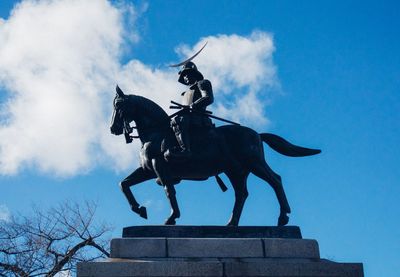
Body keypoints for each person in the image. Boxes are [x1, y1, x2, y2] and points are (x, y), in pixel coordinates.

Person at [169, 61, 214, 159]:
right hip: (187, 117)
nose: (185, 78)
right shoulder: (185, 93)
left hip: (198, 118)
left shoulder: (202, 83)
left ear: (193, 73)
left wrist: (194, 105)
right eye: (183, 76)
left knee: (178, 121)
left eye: (186, 74)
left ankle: (185, 150)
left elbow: (208, 98)